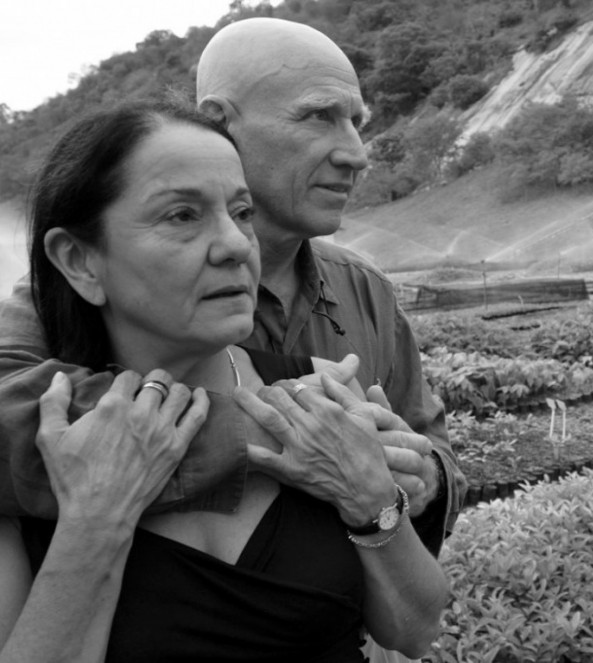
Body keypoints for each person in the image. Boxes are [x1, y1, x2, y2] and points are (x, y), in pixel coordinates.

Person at [0, 100, 449, 662]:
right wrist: (97, 524)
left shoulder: (324, 395)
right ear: (80, 261)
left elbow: (415, 631)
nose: (237, 245)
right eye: (181, 215)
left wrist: (374, 502)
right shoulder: (37, 452)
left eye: (241, 213)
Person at [0, 17, 465, 557]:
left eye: (357, 122)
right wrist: (272, 431)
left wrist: (420, 474)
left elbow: (434, 451)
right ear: (219, 123)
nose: (356, 153)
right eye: (319, 116)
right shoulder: (86, 289)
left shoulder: (366, 290)